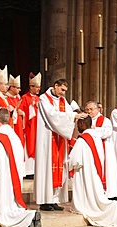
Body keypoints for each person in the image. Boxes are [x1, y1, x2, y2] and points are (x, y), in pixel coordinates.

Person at [0, 108, 41, 227]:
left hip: (1, 180)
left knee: (2, 212)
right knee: (11, 205)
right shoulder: (15, 138)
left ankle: (27, 218)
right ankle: (27, 220)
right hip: (14, 179)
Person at [34, 79, 87, 211]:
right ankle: (45, 200)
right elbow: (52, 115)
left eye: (65, 91)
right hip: (47, 138)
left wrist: (77, 115)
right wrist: (73, 116)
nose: (63, 93)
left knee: (60, 167)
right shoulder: (43, 99)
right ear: (55, 86)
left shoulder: (63, 101)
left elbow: (69, 114)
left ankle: (54, 199)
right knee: (47, 167)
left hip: (60, 139)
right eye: (62, 90)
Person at [69, 116, 117, 227]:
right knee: (96, 195)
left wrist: (67, 161)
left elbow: (75, 161)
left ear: (82, 124)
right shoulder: (96, 137)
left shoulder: (82, 140)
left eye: (77, 124)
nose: (76, 127)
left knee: (89, 200)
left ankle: (114, 208)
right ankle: (114, 208)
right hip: (95, 172)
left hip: (84, 173)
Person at [85, 101, 117, 200]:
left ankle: (109, 194)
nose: (89, 112)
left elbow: (107, 132)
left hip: (105, 151)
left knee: (107, 171)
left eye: (91, 109)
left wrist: (93, 129)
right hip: (92, 150)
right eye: (87, 110)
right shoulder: (86, 120)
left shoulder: (105, 120)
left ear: (97, 109)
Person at [19, 72, 41, 179]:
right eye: (36, 87)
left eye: (39, 87)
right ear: (31, 87)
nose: (38, 90)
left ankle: (35, 170)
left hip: (37, 127)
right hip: (28, 127)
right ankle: (28, 171)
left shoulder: (39, 99)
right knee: (29, 146)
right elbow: (21, 111)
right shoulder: (24, 97)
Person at [6, 74, 25, 146]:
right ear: (11, 88)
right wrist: (14, 110)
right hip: (12, 126)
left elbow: (21, 110)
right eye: (18, 88)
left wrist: (22, 113)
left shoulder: (18, 98)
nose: (20, 90)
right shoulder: (6, 98)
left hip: (19, 125)